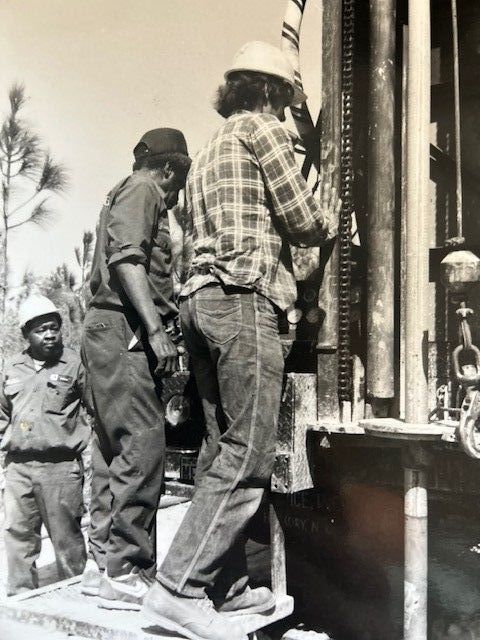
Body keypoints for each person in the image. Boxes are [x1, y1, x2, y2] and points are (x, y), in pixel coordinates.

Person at [142, 41, 340, 640]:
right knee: (249, 452)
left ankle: (223, 588)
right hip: (244, 301)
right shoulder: (263, 132)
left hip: (200, 303)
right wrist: (331, 206)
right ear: (273, 92)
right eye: (286, 98)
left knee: (217, 451)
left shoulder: (206, 150)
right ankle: (177, 589)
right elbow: (305, 220)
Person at [80, 128, 191, 610]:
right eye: (178, 184)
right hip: (124, 328)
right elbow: (128, 261)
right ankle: (126, 572)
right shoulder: (145, 189)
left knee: (111, 447)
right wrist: (155, 329)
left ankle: (102, 565)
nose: (176, 195)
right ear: (170, 170)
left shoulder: (122, 192)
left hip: (105, 329)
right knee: (144, 446)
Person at [0, 295, 89, 595]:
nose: (49, 334)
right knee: (18, 537)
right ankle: (22, 600)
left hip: (60, 470)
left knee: (67, 540)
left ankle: (74, 599)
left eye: (54, 327)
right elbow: (1, 415)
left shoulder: (76, 363)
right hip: (18, 469)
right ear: (26, 335)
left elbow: (95, 410)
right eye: (40, 330)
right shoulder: (12, 368)